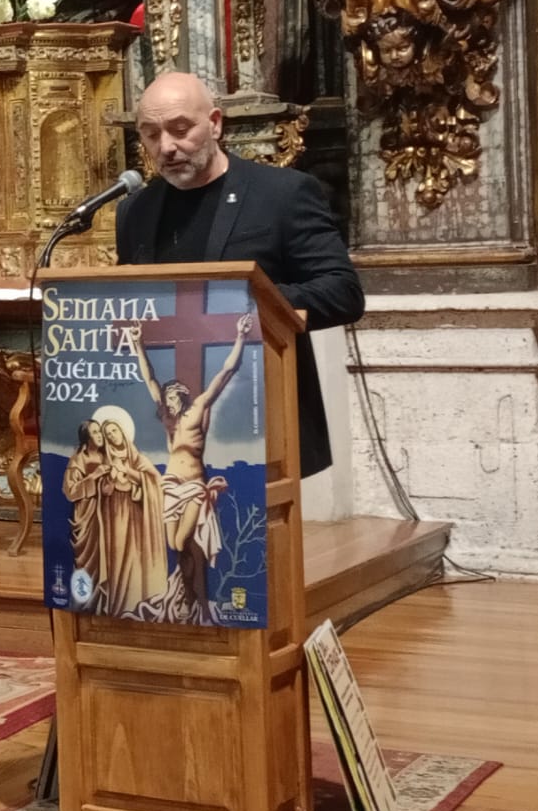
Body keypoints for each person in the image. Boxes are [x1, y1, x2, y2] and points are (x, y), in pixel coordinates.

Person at [117, 72, 364, 479]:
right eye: (150, 134)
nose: (166, 147)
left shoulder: (282, 194)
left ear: (215, 123)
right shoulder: (136, 211)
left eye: (180, 129)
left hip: (258, 412)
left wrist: (244, 307)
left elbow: (343, 292)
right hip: (165, 432)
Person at [120, 315, 252, 624]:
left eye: (170, 397)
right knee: (178, 547)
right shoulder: (168, 418)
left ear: (181, 396)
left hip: (193, 484)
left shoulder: (198, 411)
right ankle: (192, 598)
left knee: (183, 543)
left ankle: (200, 601)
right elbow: (149, 379)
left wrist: (241, 337)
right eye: (164, 399)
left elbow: (226, 371)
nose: (167, 402)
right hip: (170, 484)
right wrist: (138, 344)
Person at [61, 409, 169, 618]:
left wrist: (127, 473)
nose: (107, 436)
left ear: (123, 432)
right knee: (115, 561)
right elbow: (87, 489)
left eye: (112, 432)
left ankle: (135, 603)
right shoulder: (97, 459)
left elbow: (155, 481)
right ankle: (114, 603)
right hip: (109, 517)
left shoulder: (135, 456)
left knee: (134, 560)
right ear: (87, 437)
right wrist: (102, 484)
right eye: (103, 433)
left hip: (135, 518)